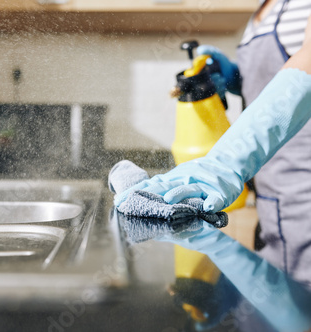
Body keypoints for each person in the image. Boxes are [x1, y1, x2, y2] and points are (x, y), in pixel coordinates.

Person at [113, 0, 311, 290]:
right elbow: (275, 80)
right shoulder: (265, 7)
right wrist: (235, 77)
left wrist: (224, 163)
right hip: (274, 208)